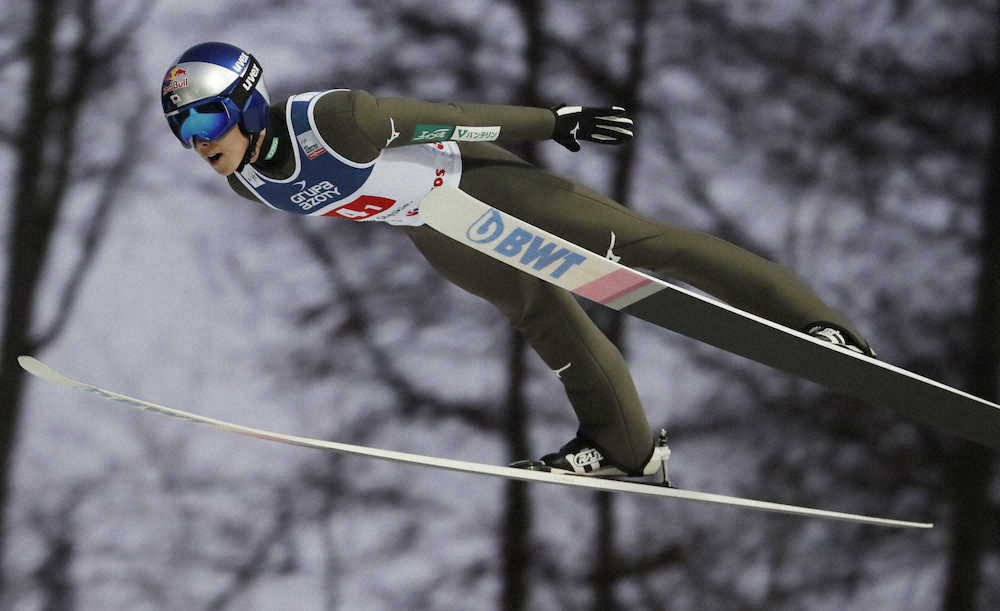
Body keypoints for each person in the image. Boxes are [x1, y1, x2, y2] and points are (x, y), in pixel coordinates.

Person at [162, 42, 874, 478]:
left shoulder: (335, 120)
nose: (197, 141)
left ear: (249, 104)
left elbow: (445, 115)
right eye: (182, 130)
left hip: (476, 181)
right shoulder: (249, 185)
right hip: (431, 224)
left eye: (206, 119)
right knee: (543, 317)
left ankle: (818, 325)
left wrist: (554, 123)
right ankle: (625, 446)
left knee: (642, 246)